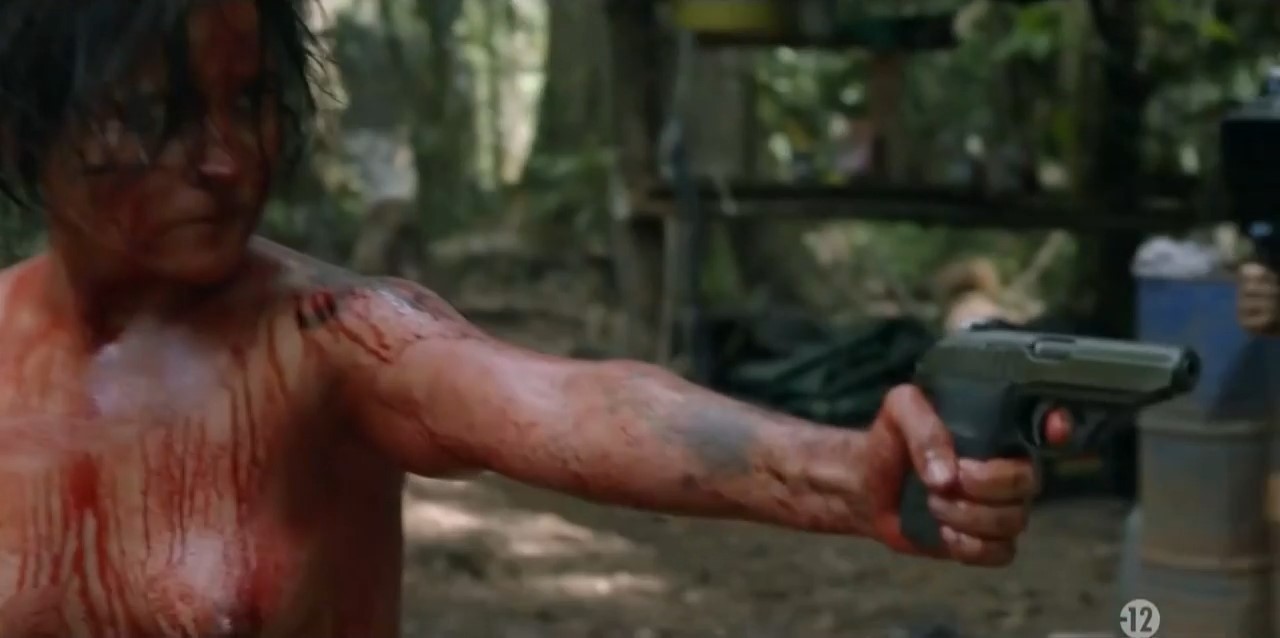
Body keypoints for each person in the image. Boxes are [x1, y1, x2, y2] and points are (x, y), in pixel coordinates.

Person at [0, 1, 1068, 635]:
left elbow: (568, 404)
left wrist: (840, 470)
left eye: (248, 102)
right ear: (28, 120)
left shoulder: (327, 340)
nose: (230, 158)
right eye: (157, 113)